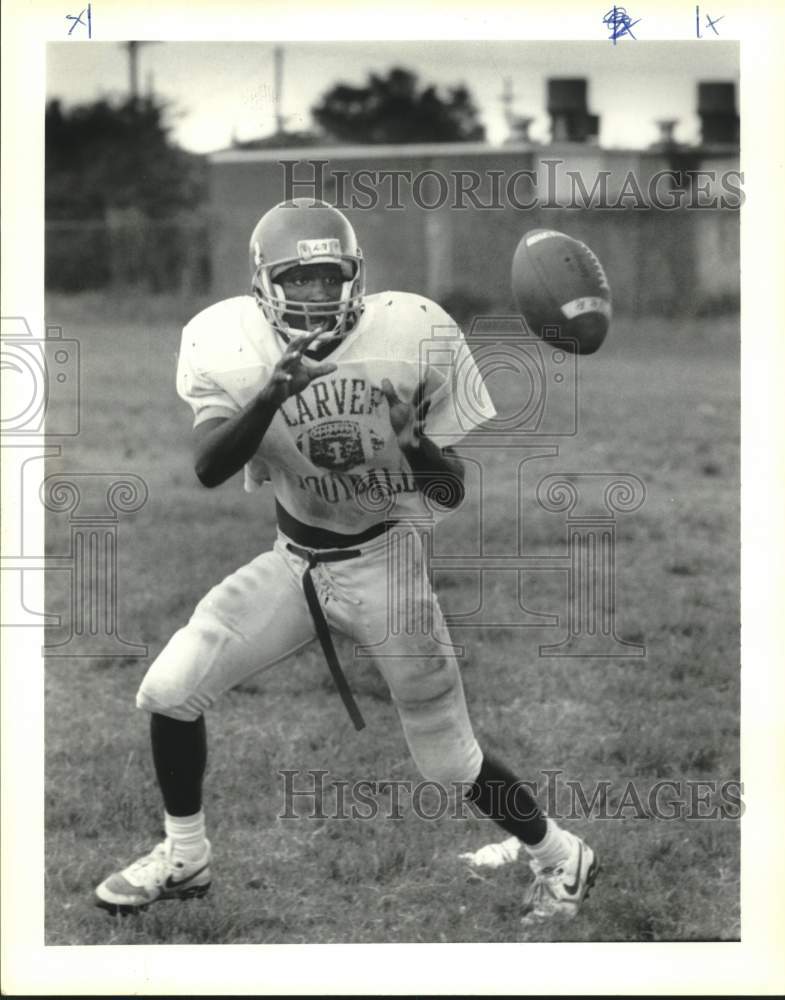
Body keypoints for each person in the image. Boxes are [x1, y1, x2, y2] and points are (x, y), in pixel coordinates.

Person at [94, 198, 599, 924]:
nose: (315, 295)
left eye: (328, 278)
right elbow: (208, 466)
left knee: (448, 760)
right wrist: (271, 392)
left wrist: (414, 441)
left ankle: (558, 853)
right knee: (170, 689)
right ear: (265, 282)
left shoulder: (414, 329)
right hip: (293, 561)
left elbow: (448, 490)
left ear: (354, 278)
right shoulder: (222, 339)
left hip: (385, 563)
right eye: (298, 280)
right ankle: (185, 856)